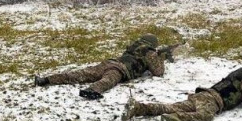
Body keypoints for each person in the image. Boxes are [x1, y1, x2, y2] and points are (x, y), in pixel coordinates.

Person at [121, 60, 242, 121]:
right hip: (213, 101)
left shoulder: (240, 73)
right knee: (205, 117)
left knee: (170, 106)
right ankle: (178, 117)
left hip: (203, 94)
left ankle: (140, 108)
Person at [34, 34, 177, 100]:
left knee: (78, 74)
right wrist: (160, 58)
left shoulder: (134, 47)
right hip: (120, 69)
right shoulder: (149, 52)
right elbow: (158, 72)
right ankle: (92, 91)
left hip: (109, 62)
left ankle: (46, 80)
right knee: (108, 81)